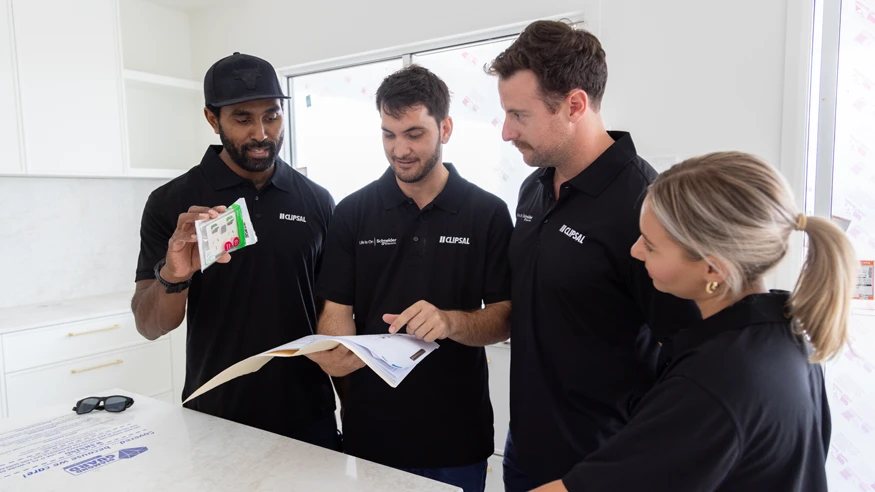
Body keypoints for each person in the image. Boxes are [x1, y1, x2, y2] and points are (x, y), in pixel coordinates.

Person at [534, 151, 855, 492]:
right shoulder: (788, 333)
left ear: (713, 270)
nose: (635, 251)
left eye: (652, 246)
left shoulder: (713, 380)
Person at [485, 20, 701, 489]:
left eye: (519, 115)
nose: (506, 132)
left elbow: (687, 354)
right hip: (524, 450)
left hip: (603, 466)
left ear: (574, 105)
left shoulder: (647, 205)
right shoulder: (533, 189)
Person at [306, 65, 513, 492]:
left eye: (414, 134)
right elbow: (335, 311)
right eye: (388, 133)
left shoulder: (487, 213)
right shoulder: (352, 213)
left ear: (446, 128)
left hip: (457, 438)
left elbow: (505, 318)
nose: (399, 149)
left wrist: (451, 322)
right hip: (372, 434)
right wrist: (332, 349)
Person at [131, 52, 340, 450]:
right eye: (243, 119)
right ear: (213, 119)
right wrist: (174, 275)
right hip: (216, 415)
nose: (262, 133)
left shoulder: (316, 201)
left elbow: (334, 313)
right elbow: (149, 326)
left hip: (309, 415)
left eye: (272, 116)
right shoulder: (171, 202)